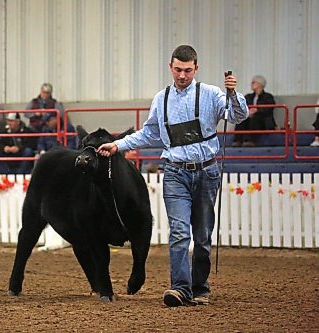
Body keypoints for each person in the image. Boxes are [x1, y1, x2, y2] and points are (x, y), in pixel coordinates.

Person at [97, 45, 249, 307]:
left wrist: (233, 93)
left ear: (196, 69)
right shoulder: (161, 99)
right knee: (179, 232)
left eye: (188, 70)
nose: (182, 75)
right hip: (175, 172)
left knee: (202, 235)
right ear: (171, 67)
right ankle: (180, 288)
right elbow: (149, 133)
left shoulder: (212, 94)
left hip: (207, 170)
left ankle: (200, 288)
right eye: (178, 69)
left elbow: (238, 115)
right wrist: (118, 144)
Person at [232, 75, 276, 147]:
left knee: (255, 119)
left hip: (262, 120)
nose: (251, 84)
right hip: (249, 118)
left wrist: (257, 110)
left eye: (253, 82)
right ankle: (237, 140)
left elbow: (269, 109)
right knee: (241, 119)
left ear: (259, 84)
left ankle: (250, 140)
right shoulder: (248, 96)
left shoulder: (268, 97)